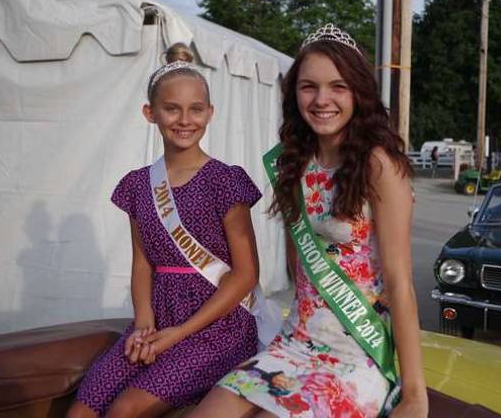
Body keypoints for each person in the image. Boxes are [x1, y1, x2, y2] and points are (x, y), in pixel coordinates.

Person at [191, 23, 428, 418]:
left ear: (358, 93)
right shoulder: (292, 161)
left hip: (356, 355)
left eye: (338, 86)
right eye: (308, 86)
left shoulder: (379, 164)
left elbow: (401, 282)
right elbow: (296, 265)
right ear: (293, 94)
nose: (322, 99)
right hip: (295, 342)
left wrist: (415, 394)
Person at [67, 54, 263, 417]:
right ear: (150, 113)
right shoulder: (138, 185)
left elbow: (246, 274)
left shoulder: (226, 181)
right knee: (82, 409)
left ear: (210, 112)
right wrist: (143, 323)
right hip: (156, 317)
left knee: (125, 409)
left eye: (196, 109)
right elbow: (142, 263)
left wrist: (179, 333)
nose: (185, 120)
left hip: (218, 326)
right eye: (172, 109)